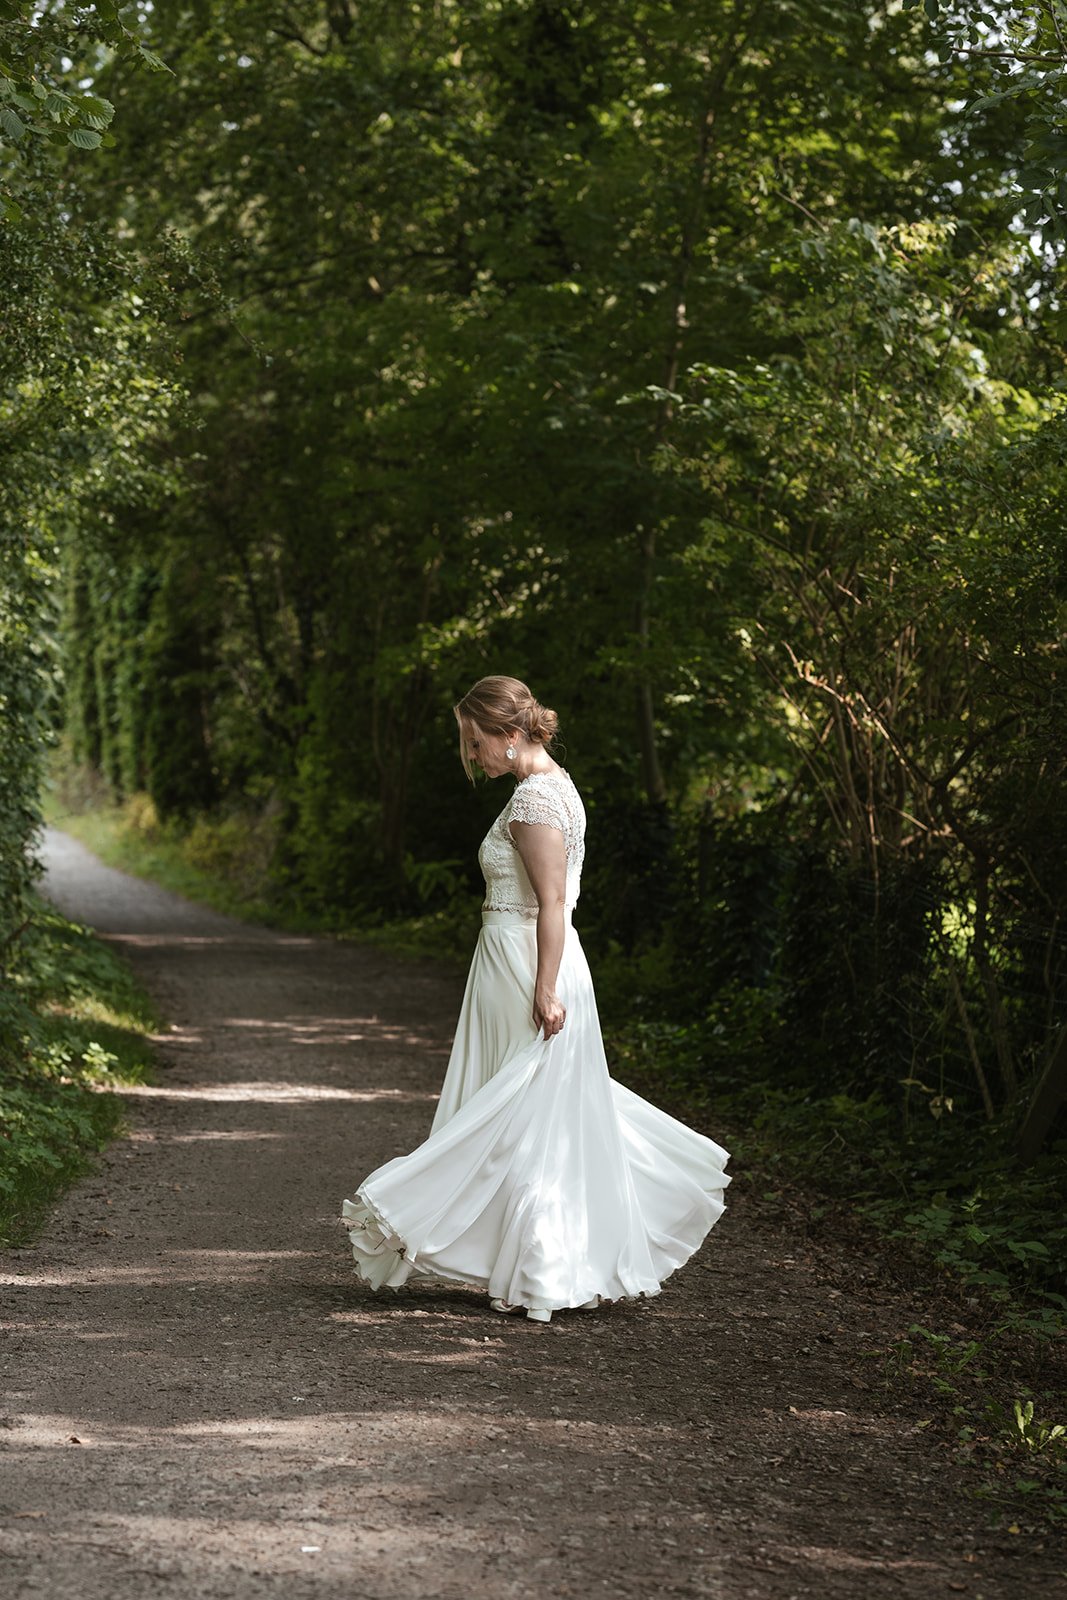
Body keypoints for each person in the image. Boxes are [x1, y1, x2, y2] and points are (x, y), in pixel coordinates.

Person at [341, 675, 731, 1324]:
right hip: (518, 958)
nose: (471, 756)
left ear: (511, 734)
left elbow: (553, 902)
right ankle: (527, 1267)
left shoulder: (533, 803)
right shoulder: (550, 787)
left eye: (475, 743)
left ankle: (533, 1265)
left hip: (525, 962)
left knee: (519, 1118)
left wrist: (544, 988)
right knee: (532, 1118)